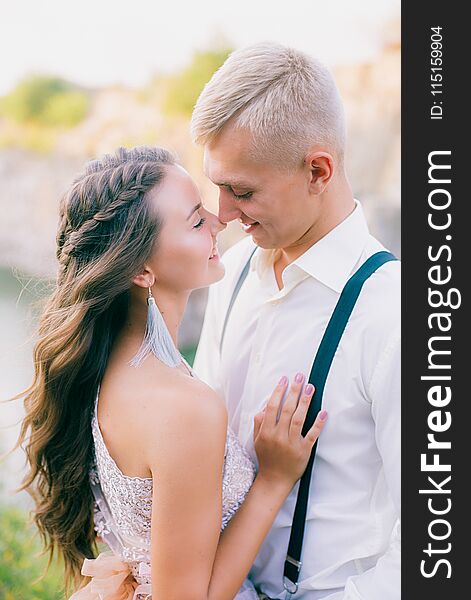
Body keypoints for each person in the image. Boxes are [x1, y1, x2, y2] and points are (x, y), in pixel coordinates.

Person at [13, 146, 328, 600]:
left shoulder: (106, 368)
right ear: (142, 269)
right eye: (198, 221)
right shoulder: (182, 407)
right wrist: (273, 479)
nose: (220, 222)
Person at [191, 42, 401, 599]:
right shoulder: (230, 271)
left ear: (318, 171)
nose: (223, 213)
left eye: (242, 191)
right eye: (218, 185)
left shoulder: (396, 317)